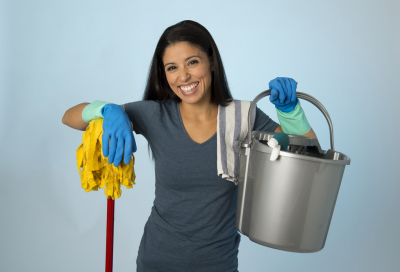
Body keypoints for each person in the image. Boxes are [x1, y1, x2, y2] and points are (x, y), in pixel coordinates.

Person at [62, 20, 317, 272]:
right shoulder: (156, 115)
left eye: (192, 62)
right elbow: (69, 117)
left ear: (212, 61)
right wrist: (108, 110)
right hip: (156, 262)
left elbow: (307, 155)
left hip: (219, 265)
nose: (183, 76)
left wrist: (290, 112)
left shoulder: (243, 117)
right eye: (172, 67)